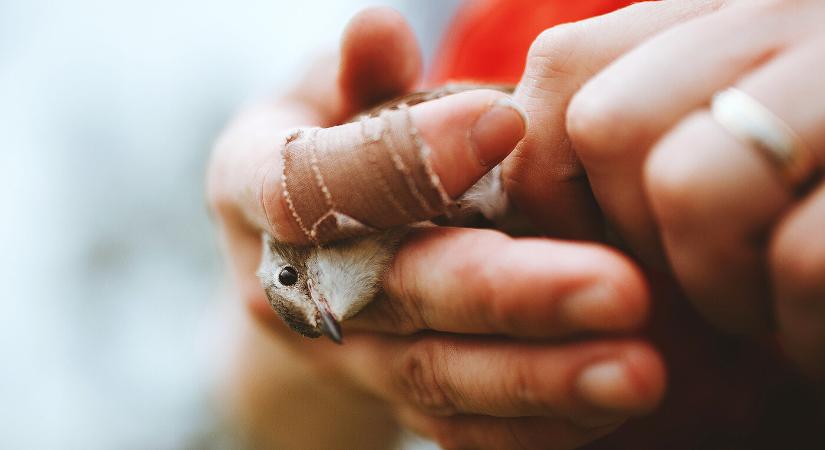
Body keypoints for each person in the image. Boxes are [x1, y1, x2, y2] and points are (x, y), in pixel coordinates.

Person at [207, 1, 825, 448]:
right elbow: (274, 414)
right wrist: (296, 339)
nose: (321, 314)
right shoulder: (463, 25)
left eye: (300, 287)